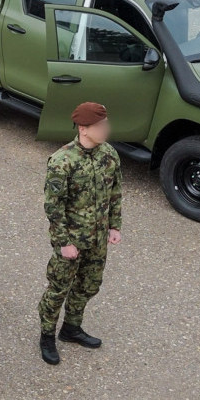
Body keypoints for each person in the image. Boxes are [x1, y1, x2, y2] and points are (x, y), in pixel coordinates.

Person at [38, 102, 122, 366]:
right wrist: (63, 243)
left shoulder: (108, 154)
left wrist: (114, 225)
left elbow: (115, 193)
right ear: (84, 129)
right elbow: (54, 207)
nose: (106, 129)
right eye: (101, 125)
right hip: (72, 242)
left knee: (88, 285)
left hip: (97, 239)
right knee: (58, 288)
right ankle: (47, 335)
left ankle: (71, 328)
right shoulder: (62, 161)